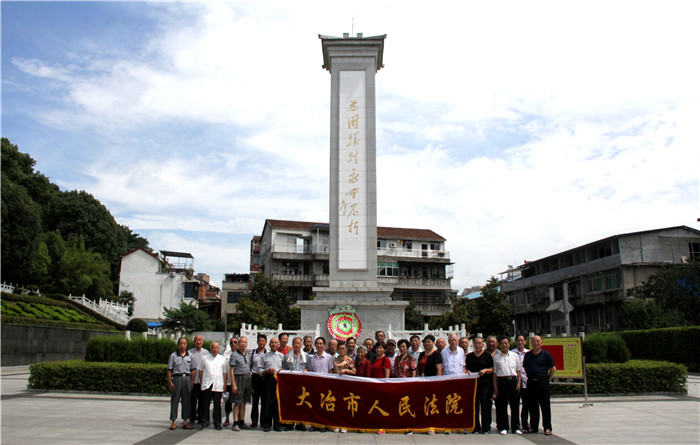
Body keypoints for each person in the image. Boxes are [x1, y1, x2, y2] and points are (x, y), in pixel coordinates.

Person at [523, 335, 556, 436]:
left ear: (541, 343)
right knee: (532, 406)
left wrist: (547, 379)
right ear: (531, 343)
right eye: (533, 341)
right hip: (531, 382)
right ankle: (534, 427)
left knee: (545, 406)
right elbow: (525, 368)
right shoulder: (528, 355)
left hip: (543, 382)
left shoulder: (546, 354)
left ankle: (547, 427)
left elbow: (553, 368)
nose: (535, 343)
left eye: (537, 341)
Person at [493, 336, 522, 435]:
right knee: (502, 405)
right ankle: (504, 426)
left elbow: (518, 371)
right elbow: (495, 373)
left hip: (513, 380)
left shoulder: (514, 355)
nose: (504, 345)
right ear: (499, 345)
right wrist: (495, 386)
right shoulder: (496, 357)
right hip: (502, 381)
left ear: (509, 344)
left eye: (506, 343)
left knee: (514, 405)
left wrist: (519, 383)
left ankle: (516, 427)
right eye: (502, 343)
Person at [465, 337, 494, 434]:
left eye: (480, 343)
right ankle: (476, 426)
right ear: (473, 344)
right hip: (473, 385)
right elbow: (466, 368)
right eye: (476, 343)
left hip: (485, 385)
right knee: (474, 406)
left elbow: (493, 369)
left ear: (483, 344)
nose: (478, 345)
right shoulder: (469, 356)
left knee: (485, 406)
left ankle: (486, 427)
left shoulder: (487, 356)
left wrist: (486, 370)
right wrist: (467, 371)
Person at [197, 342, 228, 430]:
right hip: (207, 384)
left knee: (217, 405)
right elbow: (200, 370)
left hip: (218, 384)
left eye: (217, 348)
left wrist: (225, 385)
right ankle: (204, 423)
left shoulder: (223, 359)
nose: (215, 349)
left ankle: (217, 423)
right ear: (210, 349)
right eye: (213, 348)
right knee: (205, 404)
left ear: (219, 349)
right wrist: (201, 382)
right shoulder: (205, 358)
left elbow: (225, 373)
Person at [167, 337, 193, 430]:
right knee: (175, 400)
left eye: (184, 343)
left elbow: (192, 370)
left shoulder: (190, 356)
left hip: (187, 379)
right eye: (181, 343)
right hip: (177, 378)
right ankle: (173, 421)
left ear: (186, 345)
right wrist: (170, 382)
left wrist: (192, 382)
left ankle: (185, 421)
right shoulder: (173, 356)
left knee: (186, 401)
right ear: (178, 345)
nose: (182, 345)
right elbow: (169, 370)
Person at [260, 337, 284, 432]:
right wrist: (266, 371)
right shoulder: (264, 356)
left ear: (278, 345)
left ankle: (277, 424)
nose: (274, 344)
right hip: (268, 379)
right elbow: (259, 369)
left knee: (277, 403)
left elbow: (285, 368)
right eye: (272, 343)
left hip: (278, 380)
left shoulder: (282, 356)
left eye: (276, 343)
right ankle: (267, 424)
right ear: (269, 345)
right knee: (267, 402)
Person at [229, 336, 252, 431]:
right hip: (238, 378)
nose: (243, 344)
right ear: (238, 343)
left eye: (245, 342)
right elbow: (231, 370)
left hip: (247, 378)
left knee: (244, 402)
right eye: (241, 342)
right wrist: (233, 384)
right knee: (237, 402)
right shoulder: (234, 355)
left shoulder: (247, 355)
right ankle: (235, 422)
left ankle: (242, 421)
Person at [188, 335, 210, 426]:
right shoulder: (189, 352)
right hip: (193, 381)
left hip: (202, 381)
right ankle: (192, 418)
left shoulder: (206, 353)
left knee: (202, 401)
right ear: (193, 342)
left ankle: (201, 418)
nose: (198, 342)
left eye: (200, 340)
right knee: (192, 401)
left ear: (203, 342)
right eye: (196, 340)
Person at [512, 335, 530, 432]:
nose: (520, 342)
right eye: (518, 340)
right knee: (515, 403)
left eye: (522, 340)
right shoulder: (512, 353)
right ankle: (516, 424)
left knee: (526, 404)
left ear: (525, 342)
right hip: (516, 381)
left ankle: (525, 423)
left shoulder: (528, 353)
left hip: (526, 381)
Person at [249, 334, 267, 428]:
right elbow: (250, 366)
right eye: (259, 341)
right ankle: (254, 421)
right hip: (255, 377)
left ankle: (263, 421)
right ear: (257, 342)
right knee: (255, 401)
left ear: (265, 343)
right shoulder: (253, 353)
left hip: (264, 378)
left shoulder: (267, 354)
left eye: (263, 341)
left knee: (264, 401)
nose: (261, 343)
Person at [222, 336, 238, 426]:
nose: (233, 344)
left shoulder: (241, 353)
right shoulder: (226, 354)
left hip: (238, 381)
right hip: (228, 381)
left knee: (238, 401)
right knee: (227, 401)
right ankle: (227, 418)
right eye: (231, 342)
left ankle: (238, 419)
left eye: (235, 342)